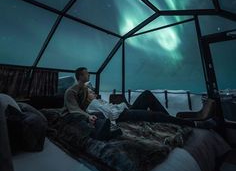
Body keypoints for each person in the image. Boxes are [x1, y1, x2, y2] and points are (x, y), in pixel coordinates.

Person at [64, 67, 217, 129]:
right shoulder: (74, 91)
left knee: (147, 95)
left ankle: (169, 117)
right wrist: (88, 115)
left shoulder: (88, 89)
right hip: (120, 112)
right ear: (80, 75)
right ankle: (194, 124)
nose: (89, 75)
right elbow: (75, 109)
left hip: (120, 108)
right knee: (155, 115)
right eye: (86, 73)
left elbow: (101, 102)